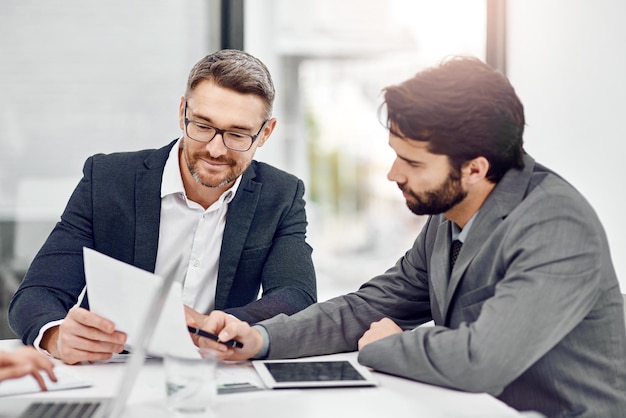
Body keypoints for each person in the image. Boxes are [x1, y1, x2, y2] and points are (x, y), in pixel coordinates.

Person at [188, 57, 626, 417]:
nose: (393, 174)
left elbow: (480, 360)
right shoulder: (449, 212)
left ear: (474, 168)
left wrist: (390, 346)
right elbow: (371, 306)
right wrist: (260, 338)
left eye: (412, 164)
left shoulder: (556, 225)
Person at [8, 49, 317, 365]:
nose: (215, 149)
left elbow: (296, 295)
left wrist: (214, 325)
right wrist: (56, 336)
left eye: (237, 134)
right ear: (183, 110)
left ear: (265, 133)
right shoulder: (108, 179)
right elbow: (37, 294)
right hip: (112, 368)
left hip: (212, 372)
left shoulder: (281, 194)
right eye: (202, 125)